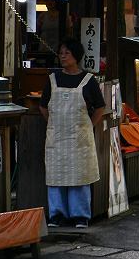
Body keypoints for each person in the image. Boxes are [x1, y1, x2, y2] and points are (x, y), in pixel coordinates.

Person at [39, 37, 105, 229]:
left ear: (76, 56)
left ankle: (80, 216)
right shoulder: (52, 80)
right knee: (56, 176)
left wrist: (88, 126)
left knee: (79, 176)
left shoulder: (88, 80)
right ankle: (57, 215)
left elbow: (100, 107)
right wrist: (54, 124)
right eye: (61, 52)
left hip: (79, 139)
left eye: (67, 52)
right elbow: (43, 107)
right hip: (57, 138)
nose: (63, 56)